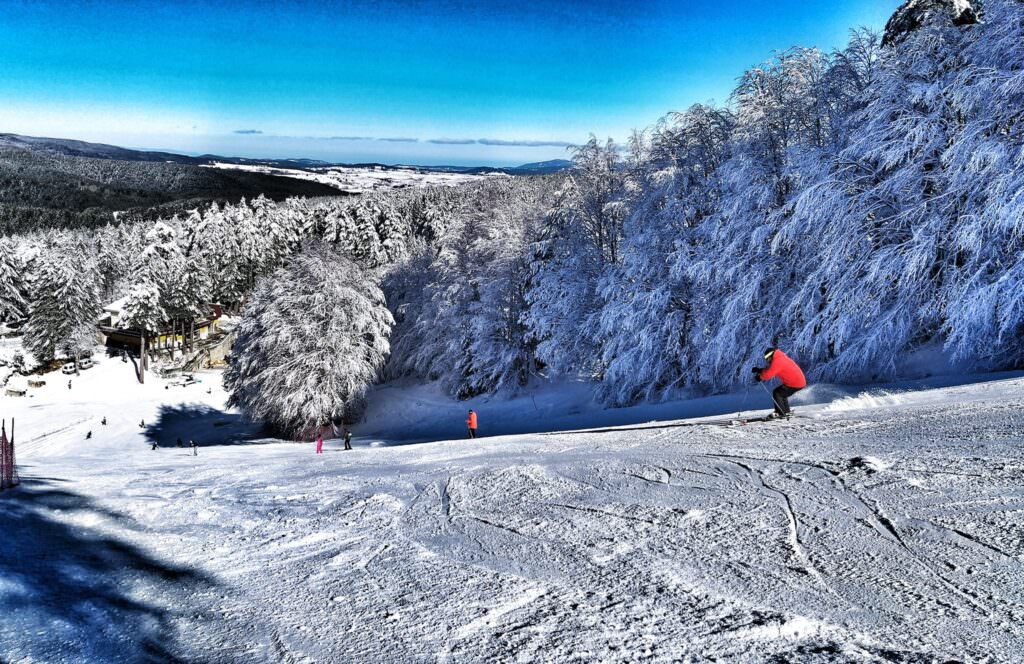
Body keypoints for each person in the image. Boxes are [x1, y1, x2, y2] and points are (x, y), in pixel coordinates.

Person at [752, 347, 807, 419]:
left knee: (777, 393)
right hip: (798, 382)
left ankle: (781, 412)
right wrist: (760, 370)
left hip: (796, 383)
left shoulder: (777, 361)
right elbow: (770, 369)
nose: (767, 360)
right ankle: (785, 411)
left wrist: (760, 377)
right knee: (782, 393)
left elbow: (768, 374)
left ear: (771, 355)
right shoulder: (780, 358)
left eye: (767, 358)